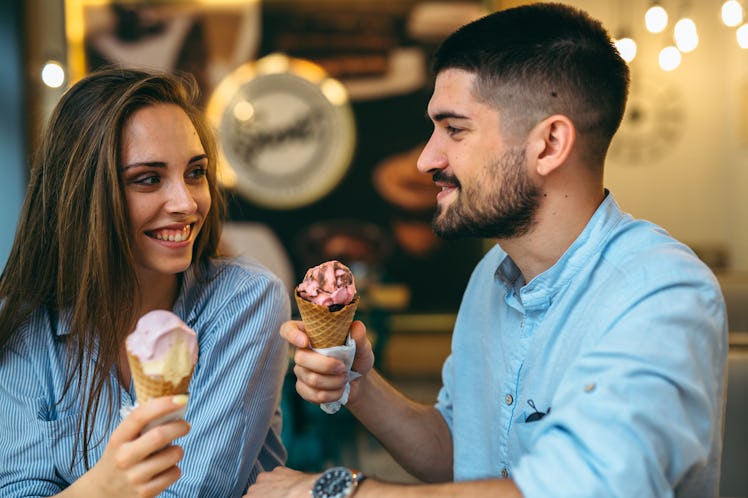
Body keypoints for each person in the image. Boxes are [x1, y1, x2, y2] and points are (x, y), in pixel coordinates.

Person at [245, 3, 728, 498]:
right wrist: (356, 384)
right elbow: (463, 455)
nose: (426, 158)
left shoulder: (660, 293)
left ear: (549, 145)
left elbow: (583, 489)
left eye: (454, 129)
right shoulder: (492, 274)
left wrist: (327, 490)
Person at [0, 67, 290, 497]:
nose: (186, 202)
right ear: (83, 193)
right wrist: (103, 488)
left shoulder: (246, 302)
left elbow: (192, 492)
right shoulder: (22, 319)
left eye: (195, 172)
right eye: (149, 179)